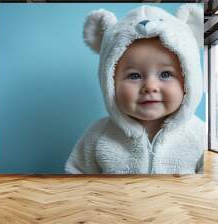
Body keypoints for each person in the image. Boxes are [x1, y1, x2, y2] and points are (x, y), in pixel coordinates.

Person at [65, 4, 204, 174]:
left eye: (166, 74)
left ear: (189, 80)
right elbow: (75, 177)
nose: (150, 87)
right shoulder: (98, 135)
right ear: (110, 83)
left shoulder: (200, 135)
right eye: (134, 76)